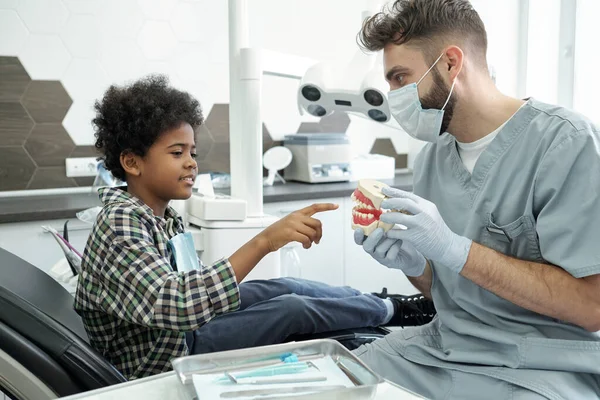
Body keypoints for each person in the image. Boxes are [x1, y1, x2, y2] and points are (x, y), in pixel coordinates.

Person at [73, 75, 432, 381]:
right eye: (177, 153)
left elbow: (189, 286)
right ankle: (391, 318)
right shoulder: (120, 223)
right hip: (167, 358)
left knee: (286, 287)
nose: (191, 164)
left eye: (192, 153)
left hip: (182, 330)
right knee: (292, 309)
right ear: (132, 162)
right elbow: (180, 303)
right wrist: (265, 241)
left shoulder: (157, 215)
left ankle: (391, 306)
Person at [352, 1, 600, 399]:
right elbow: (453, 294)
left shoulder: (566, 143)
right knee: (337, 381)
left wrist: (456, 249)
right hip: (442, 351)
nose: (393, 96)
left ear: (451, 63)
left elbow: (592, 307)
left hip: (542, 366)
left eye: (401, 78)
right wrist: (416, 266)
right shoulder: (432, 158)